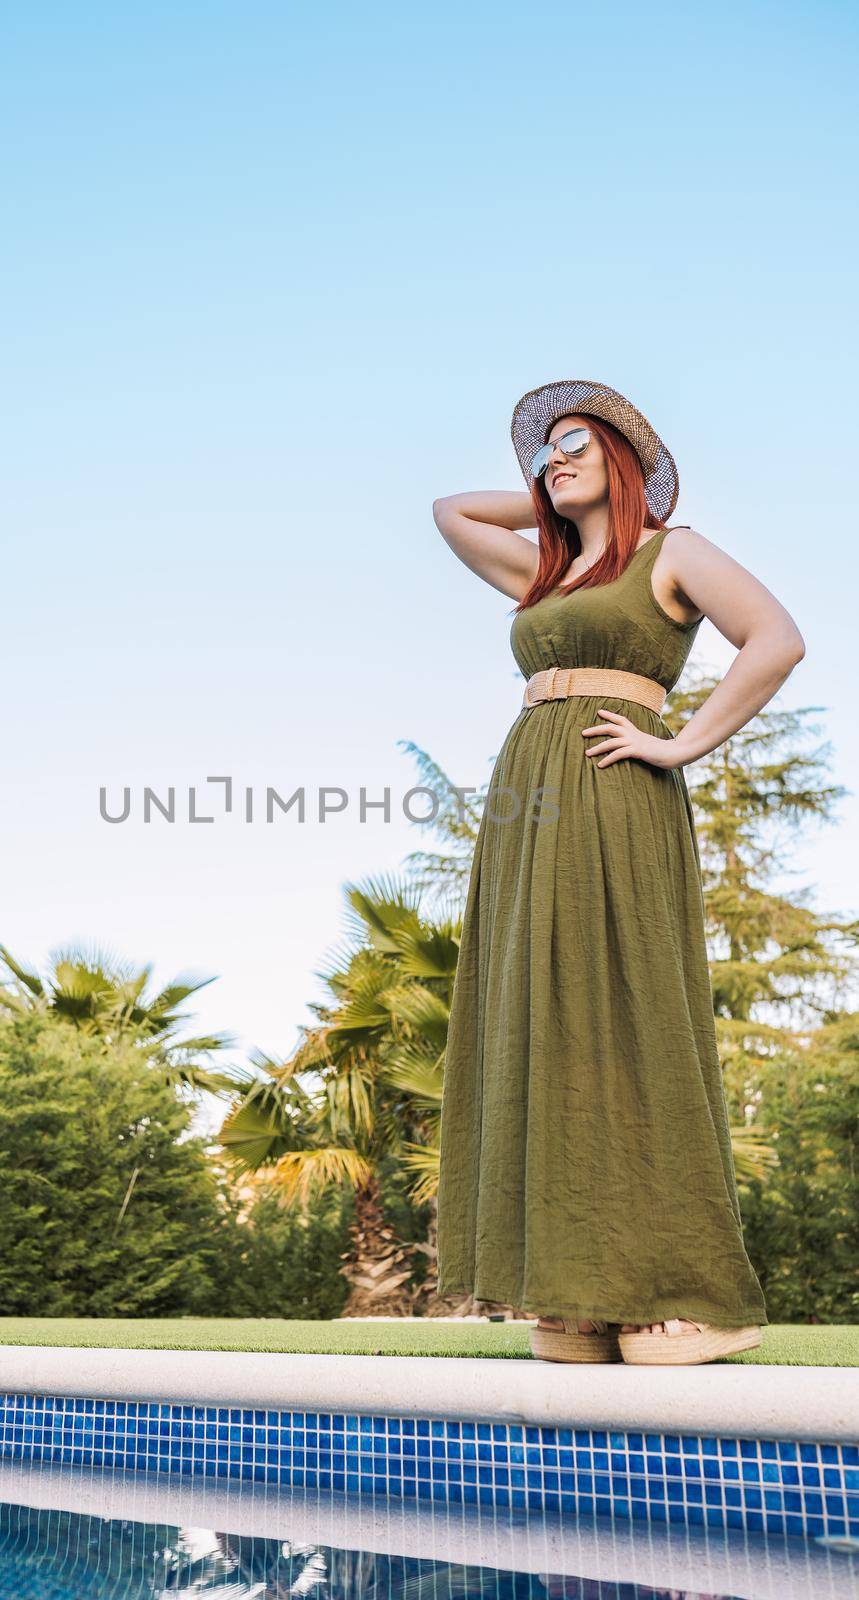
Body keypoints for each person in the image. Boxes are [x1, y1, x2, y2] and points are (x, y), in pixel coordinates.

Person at [431, 379, 805, 1366]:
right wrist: (555, 489)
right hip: (529, 800)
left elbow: (775, 640)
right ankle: (580, 1290)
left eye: (572, 447)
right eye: (541, 452)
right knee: (542, 1022)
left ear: (621, 461)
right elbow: (449, 513)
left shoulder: (670, 551)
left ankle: (680, 1291)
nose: (551, 462)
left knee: (626, 1015)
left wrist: (680, 744)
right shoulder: (544, 575)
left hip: (614, 782)